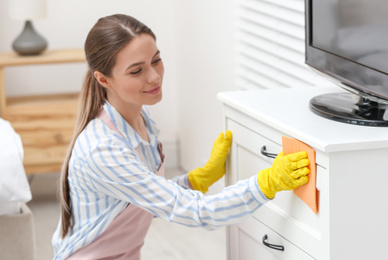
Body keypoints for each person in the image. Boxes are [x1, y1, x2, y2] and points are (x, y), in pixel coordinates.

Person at [52, 14, 310, 260]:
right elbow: (198, 213)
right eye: (136, 71)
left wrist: (194, 180)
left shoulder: (140, 120)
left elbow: (140, 199)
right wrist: (267, 184)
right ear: (103, 79)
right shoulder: (103, 149)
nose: (154, 77)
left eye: (156, 60)